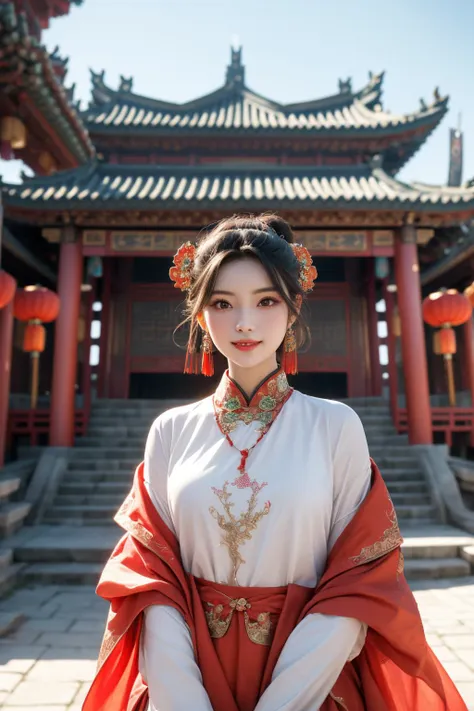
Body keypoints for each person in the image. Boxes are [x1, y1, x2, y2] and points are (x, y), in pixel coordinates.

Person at [83, 214, 467, 711]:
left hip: (306, 674)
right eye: (223, 303)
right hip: (190, 670)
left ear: (293, 309)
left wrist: (285, 701)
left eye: (266, 301)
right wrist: (183, 699)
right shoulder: (171, 432)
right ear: (201, 317)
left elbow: (359, 577)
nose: (245, 322)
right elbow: (150, 578)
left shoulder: (335, 426)